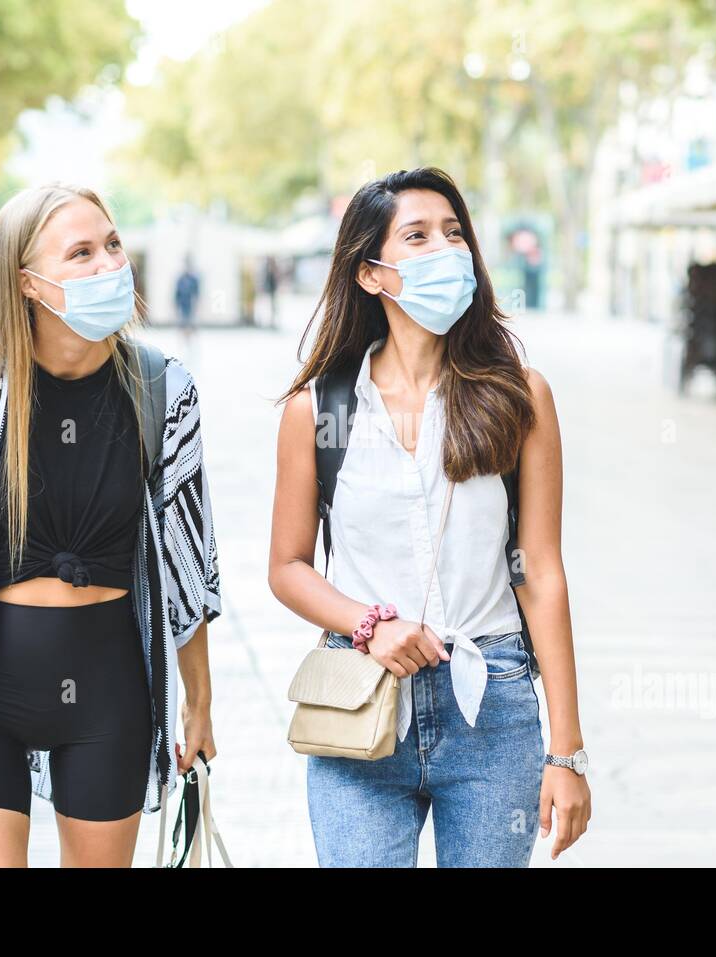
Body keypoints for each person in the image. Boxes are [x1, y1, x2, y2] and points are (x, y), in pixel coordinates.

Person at [0, 183, 222, 867]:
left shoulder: (163, 389)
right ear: (28, 282)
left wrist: (198, 704)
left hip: (109, 693)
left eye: (112, 244)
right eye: (80, 252)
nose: (109, 264)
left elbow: (187, 565)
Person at [268, 166, 590, 867]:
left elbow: (542, 574)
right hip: (359, 706)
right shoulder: (318, 410)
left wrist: (567, 750)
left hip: (493, 707)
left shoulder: (520, 395)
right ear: (371, 273)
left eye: (455, 234)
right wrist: (369, 624)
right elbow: (287, 567)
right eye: (417, 236)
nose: (446, 250)